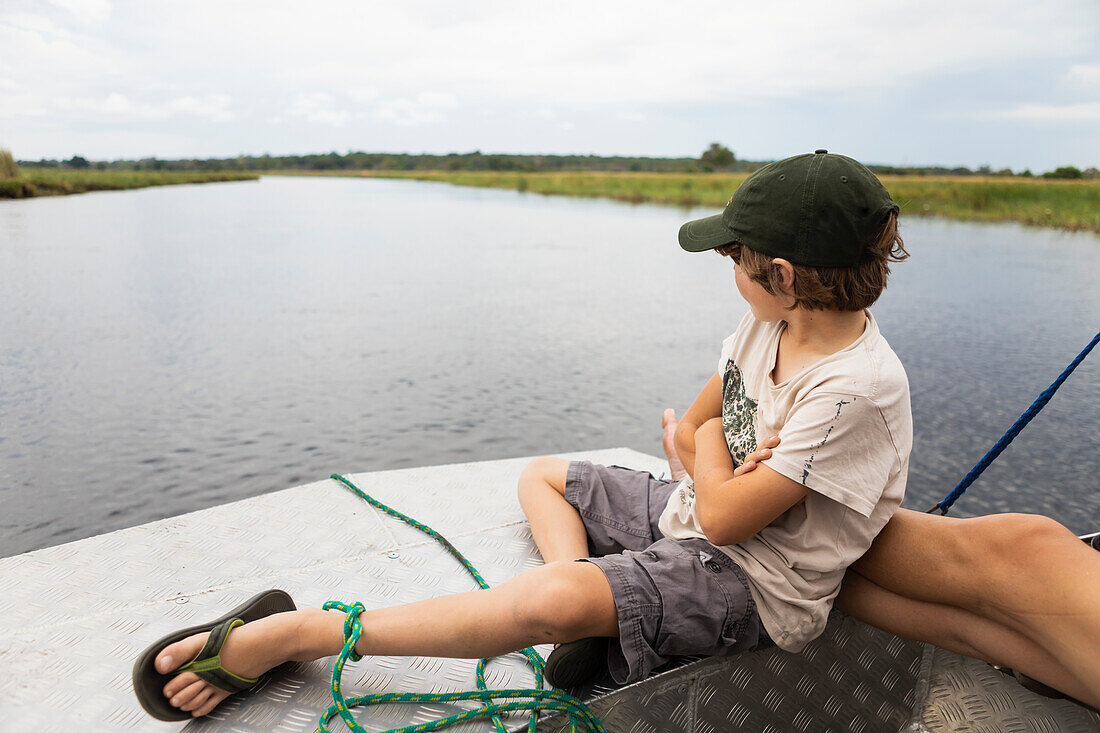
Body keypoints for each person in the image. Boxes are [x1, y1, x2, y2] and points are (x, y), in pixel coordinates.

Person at [134, 151, 921, 719]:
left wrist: (710, 455)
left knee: (545, 596)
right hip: (695, 514)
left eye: (735, 260)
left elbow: (718, 502)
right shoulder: (769, 326)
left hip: (753, 581)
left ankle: (304, 632)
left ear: (782, 274)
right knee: (542, 478)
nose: (730, 273)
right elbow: (690, 429)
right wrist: (707, 455)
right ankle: (586, 606)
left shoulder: (855, 388)